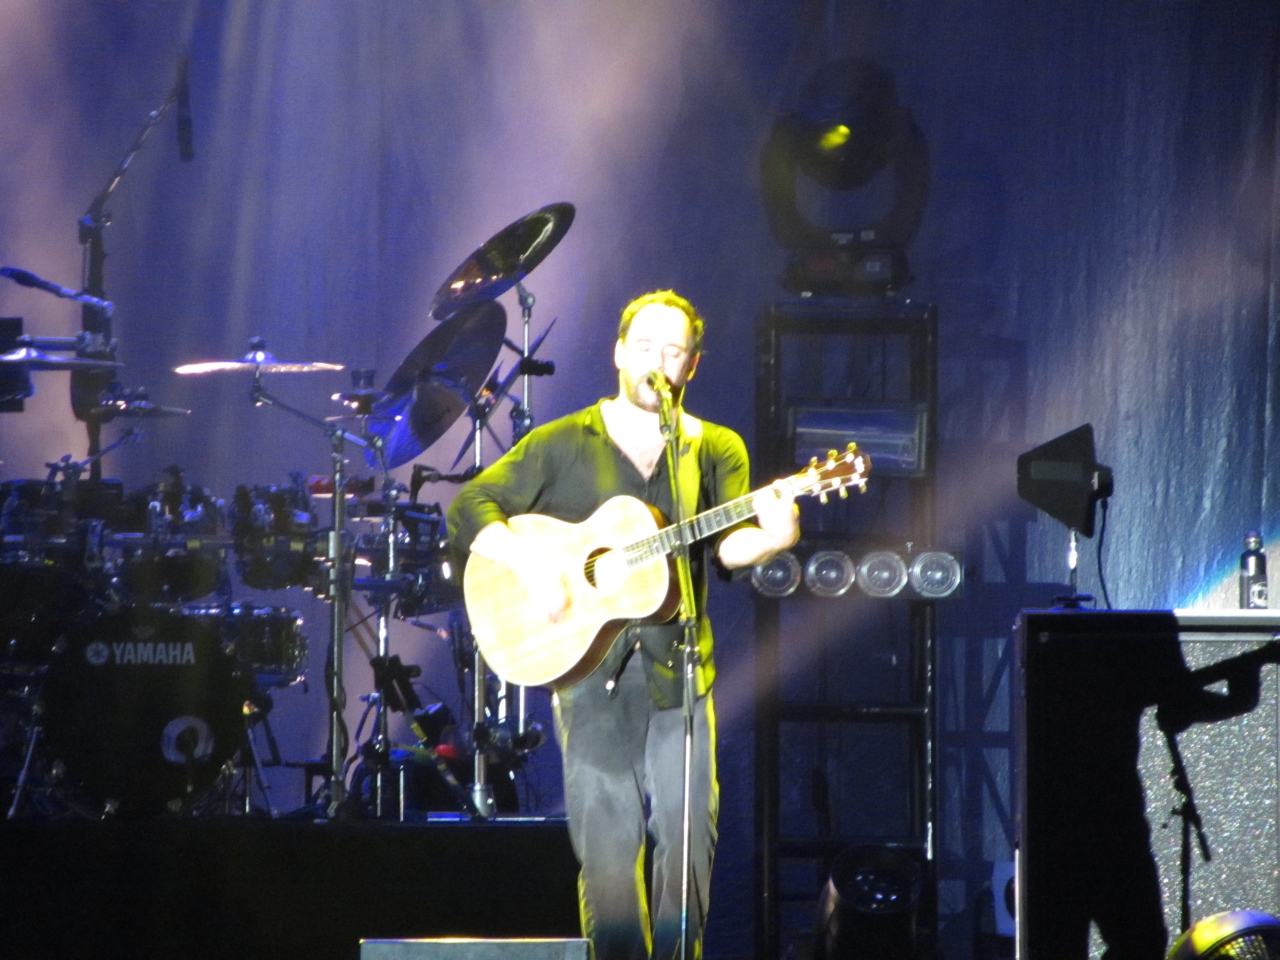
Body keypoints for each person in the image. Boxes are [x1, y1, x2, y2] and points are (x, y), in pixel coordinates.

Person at [447, 290, 799, 960]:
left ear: (691, 365)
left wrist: (774, 537)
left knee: (690, 842)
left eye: (673, 351)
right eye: (644, 347)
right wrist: (535, 567)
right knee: (609, 855)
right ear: (618, 353)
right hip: (589, 674)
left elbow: (726, 549)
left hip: (679, 668)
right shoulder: (562, 442)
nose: (657, 362)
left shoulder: (713, 447)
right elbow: (470, 506)